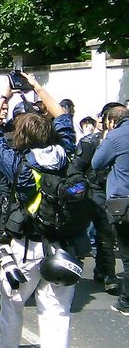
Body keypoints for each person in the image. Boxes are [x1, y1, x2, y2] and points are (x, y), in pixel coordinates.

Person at [0, 72, 79, 348]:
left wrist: (3, 96)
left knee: (12, 306)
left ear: (20, 137)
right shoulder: (65, 152)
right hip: (62, 244)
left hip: (25, 246)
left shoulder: (19, 165)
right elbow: (62, 117)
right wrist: (37, 86)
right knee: (57, 313)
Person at [75, 103, 124, 293]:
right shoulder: (89, 142)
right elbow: (77, 168)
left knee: (105, 234)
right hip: (90, 192)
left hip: (110, 192)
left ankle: (107, 273)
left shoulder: (120, 140)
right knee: (83, 233)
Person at [91, 104, 129, 315]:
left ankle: (126, 301)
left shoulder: (115, 137)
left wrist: (107, 137)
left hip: (123, 202)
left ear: (112, 121)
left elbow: (97, 163)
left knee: (127, 254)